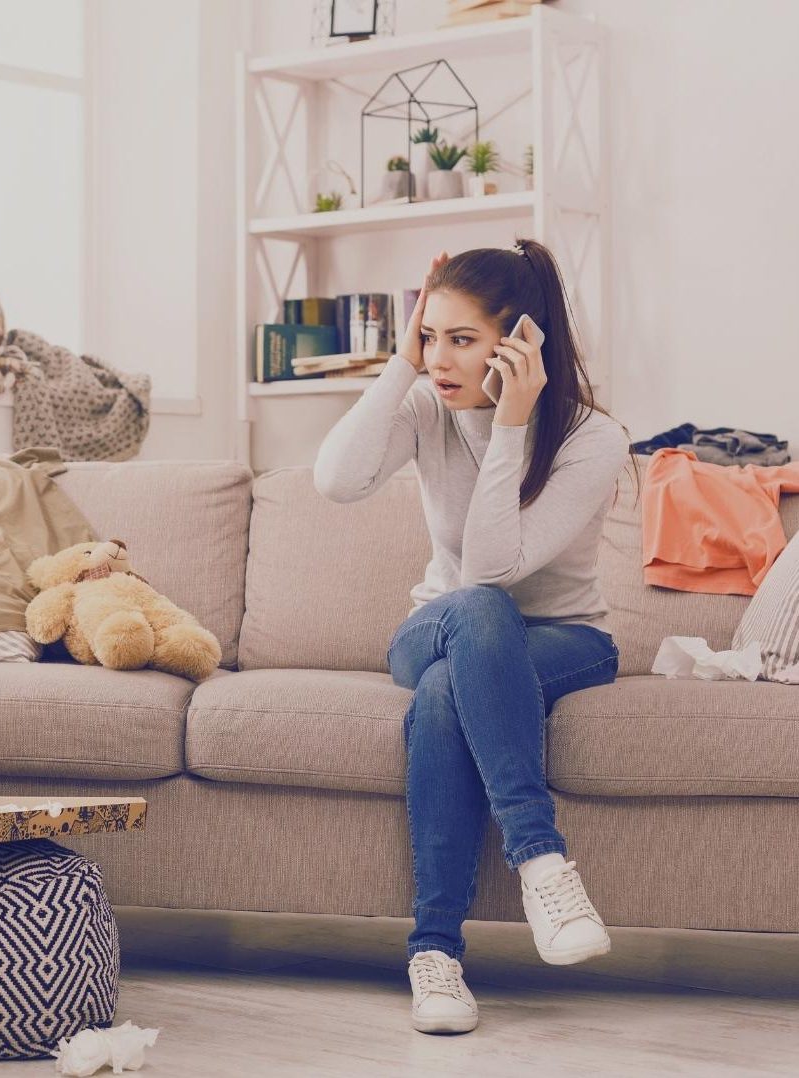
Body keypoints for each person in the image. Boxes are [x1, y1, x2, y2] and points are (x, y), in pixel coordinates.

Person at [314, 240, 632, 1035]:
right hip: (438, 623)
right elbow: (337, 480)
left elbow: (497, 563)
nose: (440, 359)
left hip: (565, 638)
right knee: (474, 617)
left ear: (521, 342)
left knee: (449, 687)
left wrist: (514, 424)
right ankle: (542, 864)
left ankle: (435, 956)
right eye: (431, 335)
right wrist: (398, 361)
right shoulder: (426, 404)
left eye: (462, 339)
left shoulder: (594, 439)